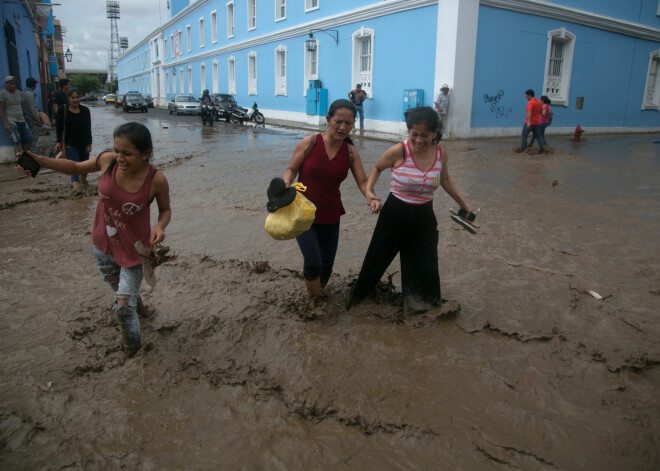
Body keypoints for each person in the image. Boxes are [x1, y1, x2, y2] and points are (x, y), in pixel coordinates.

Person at [21, 122, 172, 356]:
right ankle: (141, 308)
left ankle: (133, 353)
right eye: (117, 150)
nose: (120, 158)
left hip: (135, 250)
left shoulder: (156, 180)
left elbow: (165, 211)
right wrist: (41, 161)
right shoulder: (107, 161)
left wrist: (160, 227)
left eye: (127, 154)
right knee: (123, 296)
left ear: (145, 153)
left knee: (122, 308)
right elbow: (74, 165)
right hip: (103, 245)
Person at [345, 106, 474, 314]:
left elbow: (446, 180)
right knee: (376, 260)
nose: (419, 140)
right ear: (409, 132)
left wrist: (464, 204)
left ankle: (421, 309)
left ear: (435, 133)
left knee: (424, 265)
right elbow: (377, 168)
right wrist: (370, 192)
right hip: (394, 214)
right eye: (414, 134)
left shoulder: (441, 153)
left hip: (424, 219)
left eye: (425, 135)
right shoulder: (400, 150)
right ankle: (358, 301)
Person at [282, 99, 371, 303]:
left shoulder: (350, 152)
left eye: (348, 123)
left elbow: (363, 181)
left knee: (327, 266)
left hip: (331, 215)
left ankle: (316, 293)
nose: (343, 127)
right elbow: (291, 170)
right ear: (328, 119)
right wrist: (286, 183)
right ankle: (313, 304)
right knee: (312, 262)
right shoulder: (309, 143)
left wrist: (370, 196)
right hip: (302, 214)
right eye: (338, 121)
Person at [56, 87, 92, 192]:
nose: (75, 99)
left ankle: (84, 182)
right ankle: (76, 190)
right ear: (68, 98)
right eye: (73, 97)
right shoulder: (62, 110)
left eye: (77, 97)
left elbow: (88, 128)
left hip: (84, 143)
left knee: (85, 167)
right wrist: (58, 141)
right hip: (70, 144)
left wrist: (89, 144)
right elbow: (59, 127)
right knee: (74, 167)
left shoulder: (85, 110)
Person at [0, 75, 33, 153]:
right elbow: (1, 109)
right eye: (11, 84)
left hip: (21, 119)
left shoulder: (19, 93)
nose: (13, 85)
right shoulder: (3, 94)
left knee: (29, 139)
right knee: (16, 140)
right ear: (6, 84)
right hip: (11, 120)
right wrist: (5, 123)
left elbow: (23, 106)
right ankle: (20, 158)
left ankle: (25, 155)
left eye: (14, 84)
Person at [514, 89, 542, 153]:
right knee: (538, 136)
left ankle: (524, 148)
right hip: (537, 122)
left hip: (530, 122)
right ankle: (543, 147)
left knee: (524, 135)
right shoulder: (538, 102)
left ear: (530, 95)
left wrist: (528, 122)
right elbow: (540, 111)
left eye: (526, 96)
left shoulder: (530, 102)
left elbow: (529, 112)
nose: (526, 98)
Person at [22, 77, 43, 150]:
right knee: (33, 138)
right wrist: (38, 120)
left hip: (25, 118)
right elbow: (32, 109)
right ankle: (32, 153)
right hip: (31, 119)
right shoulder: (30, 94)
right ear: (34, 85)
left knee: (27, 138)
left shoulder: (23, 93)